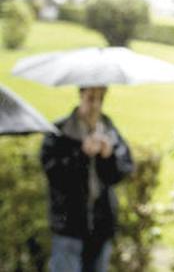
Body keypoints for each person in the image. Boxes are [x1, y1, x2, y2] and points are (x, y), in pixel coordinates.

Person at [41, 85, 133, 272]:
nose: (96, 105)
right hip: (69, 227)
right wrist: (81, 154)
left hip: (100, 226)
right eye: (91, 98)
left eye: (100, 99)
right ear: (81, 96)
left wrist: (108, 157)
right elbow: (54, 174)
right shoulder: (59, 131)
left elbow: (122, 171)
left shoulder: (109, 129)